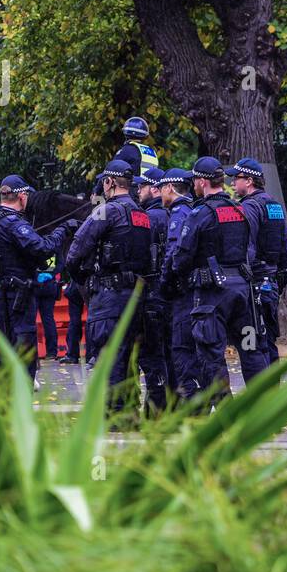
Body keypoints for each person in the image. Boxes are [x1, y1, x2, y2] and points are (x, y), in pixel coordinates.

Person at [166, 156, 269, 405]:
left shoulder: (200, 213)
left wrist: (177, 279)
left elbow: (180, 258)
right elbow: (251, 249)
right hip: (243, 293)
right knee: (250, 348)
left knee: (211, 353)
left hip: (212, 295)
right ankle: (264, 409)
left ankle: (225, 412)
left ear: (202, 182)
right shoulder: (241, 209)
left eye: (195, 181)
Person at [65, 159, 157, 415]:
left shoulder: (106, 211)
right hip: (136, 296)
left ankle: (115, 415)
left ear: (110, 182)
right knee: (128, 356)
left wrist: (83, 280)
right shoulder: (142, 214)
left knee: (109, 356)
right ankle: (128, 411)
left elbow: (76, 250)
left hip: (110, 295)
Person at [0, 175, 77, 380]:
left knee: (1, 351)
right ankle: (22, 402)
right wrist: (62, 230)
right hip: (19, 297)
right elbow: (42, 248)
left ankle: (0, 403)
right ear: (21, 196)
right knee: (24, 350)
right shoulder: (13, 222)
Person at [229, 158, 287, 371]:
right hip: (272, 282)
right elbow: (285, 245)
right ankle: (274, 397)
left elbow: (247, 246)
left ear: (248, 181)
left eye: (235, 178)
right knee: (269, 342)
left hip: (254, 284)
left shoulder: (249, 207)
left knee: (252, 344)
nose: (231, 183)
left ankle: (259, 400)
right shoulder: (274, 205)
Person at [157, 167, 197, 397]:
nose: (160, 194)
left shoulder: (179, 213)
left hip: (182, 294)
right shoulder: (191, 209)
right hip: (192, 290)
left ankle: (192, 407)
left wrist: (164, 285)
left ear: (170, 188)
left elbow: (174, 253)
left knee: (182, 351)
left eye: (161, 188)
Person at [133, 166, 172, 401]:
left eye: (143, 186)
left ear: (155, 189)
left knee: (151, 355)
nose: (138, 190)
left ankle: (155, 408)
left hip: (152, 294)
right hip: (173, 295)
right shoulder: (177, 214)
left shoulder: (148, 218)